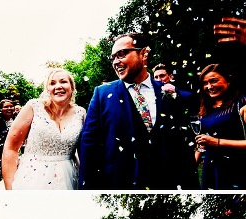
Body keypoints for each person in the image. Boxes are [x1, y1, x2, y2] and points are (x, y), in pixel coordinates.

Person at [78, 33, 198, 190]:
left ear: (143, 54)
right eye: (113, 57)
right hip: (120, 187)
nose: (116, 62)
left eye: (122, 54)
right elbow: (89, 146)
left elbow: (183, 146)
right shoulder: (102, 94)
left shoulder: (169, 92)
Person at [1, 69, 85, 190]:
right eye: (52, 83)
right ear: (47, 89)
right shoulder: (34, 107)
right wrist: (9, 189)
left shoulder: (80, 113)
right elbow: (11, 148)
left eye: (63, 82)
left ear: (72, 87)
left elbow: (85, 151)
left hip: (69, 177)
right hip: (32, 177)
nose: (58, 86)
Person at [194, 64, 246, 189]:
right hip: (212, 168)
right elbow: (202, 142)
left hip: (238, 167)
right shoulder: (206, 108)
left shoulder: (242, 104)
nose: (209, 87)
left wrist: (216, 142)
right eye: (205, 83)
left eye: (214, 81)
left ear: (228, 80)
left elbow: (212, 140)